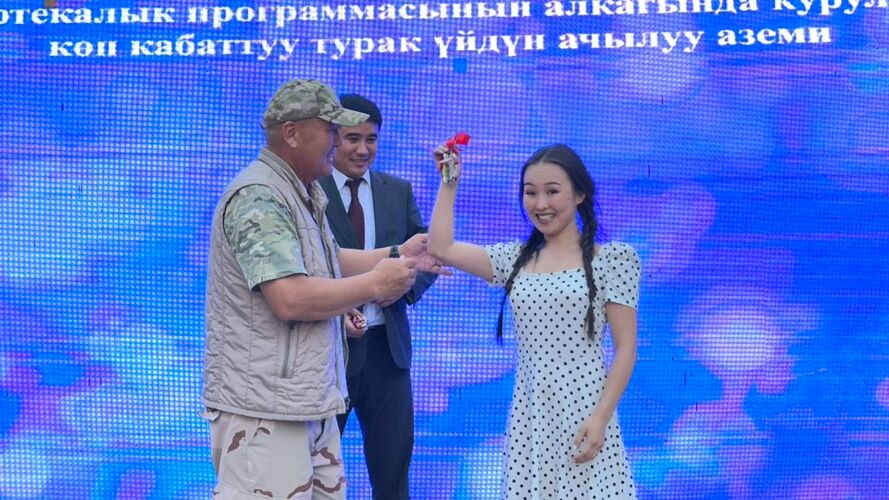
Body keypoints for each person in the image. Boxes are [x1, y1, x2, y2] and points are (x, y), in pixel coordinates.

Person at [201, 79, 442, 500]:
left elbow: (329, 261)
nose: (337, 141)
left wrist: (398, 253)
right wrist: (374, 283)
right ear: (292, 134)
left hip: (308, 403)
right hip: (266, 411)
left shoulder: (301, 191)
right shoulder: (260, 197)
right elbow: (290, 298)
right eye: (330, 130)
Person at [427, 144, 641, 499]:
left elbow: (626, 347)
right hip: (531, 417)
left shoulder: (614, 259)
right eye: (531, 193)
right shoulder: (514, 259)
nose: (541, 204)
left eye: (552, 191)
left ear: (579, 194)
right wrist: (449, 181)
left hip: (585, 412)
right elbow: (441, 248)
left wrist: (601, 417)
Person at [318, 94, 437, 499]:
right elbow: (308, 264)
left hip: (389, 354)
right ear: (332, 138)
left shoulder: (396, 191)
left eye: (371, 139)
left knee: (393, 474)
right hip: (328, 352)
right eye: (353, 139)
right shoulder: (309, 191)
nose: (363, 149)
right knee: (315, 468)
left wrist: (403, 287)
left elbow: (425, 254)